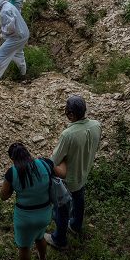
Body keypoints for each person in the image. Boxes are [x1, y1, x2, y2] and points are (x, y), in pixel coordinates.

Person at [44, 95, 102, 250]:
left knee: (61, 208)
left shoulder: (68, 134)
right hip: (84, 172)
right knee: (79, 198)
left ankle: (59, 239)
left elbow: (54, 160)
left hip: (68, 179)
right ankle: (76, 225)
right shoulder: (96, 125)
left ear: (70, 114)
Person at [0, 142, 57, 260]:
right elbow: (60, 174)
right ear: (27, 153)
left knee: (24, 247)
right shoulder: (44, 163)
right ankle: (43, 259)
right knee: (40, 236)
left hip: (24, 218)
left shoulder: (12, 172)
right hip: (45, 214)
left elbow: (3, 196)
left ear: (12, 159)